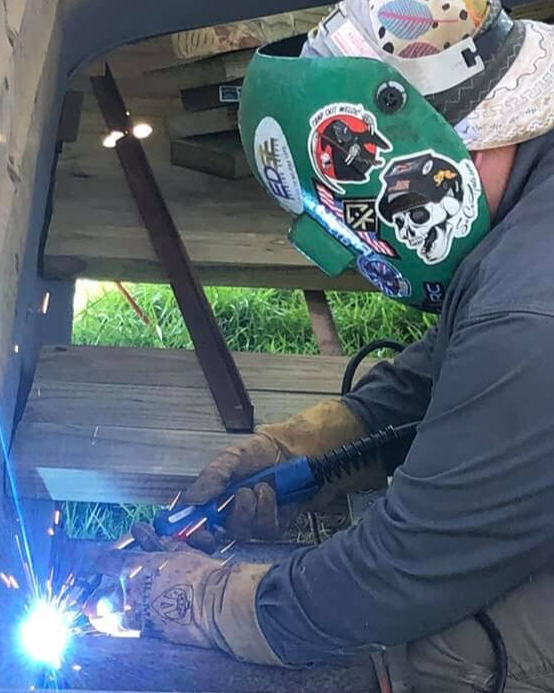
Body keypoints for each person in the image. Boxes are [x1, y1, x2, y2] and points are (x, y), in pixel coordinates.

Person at [87, 2, 554, 690]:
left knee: (450, 649)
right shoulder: (527, 209)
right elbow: (457, 362)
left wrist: (215, 601)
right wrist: (301, 450)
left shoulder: (531, 311)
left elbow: (398, 576)